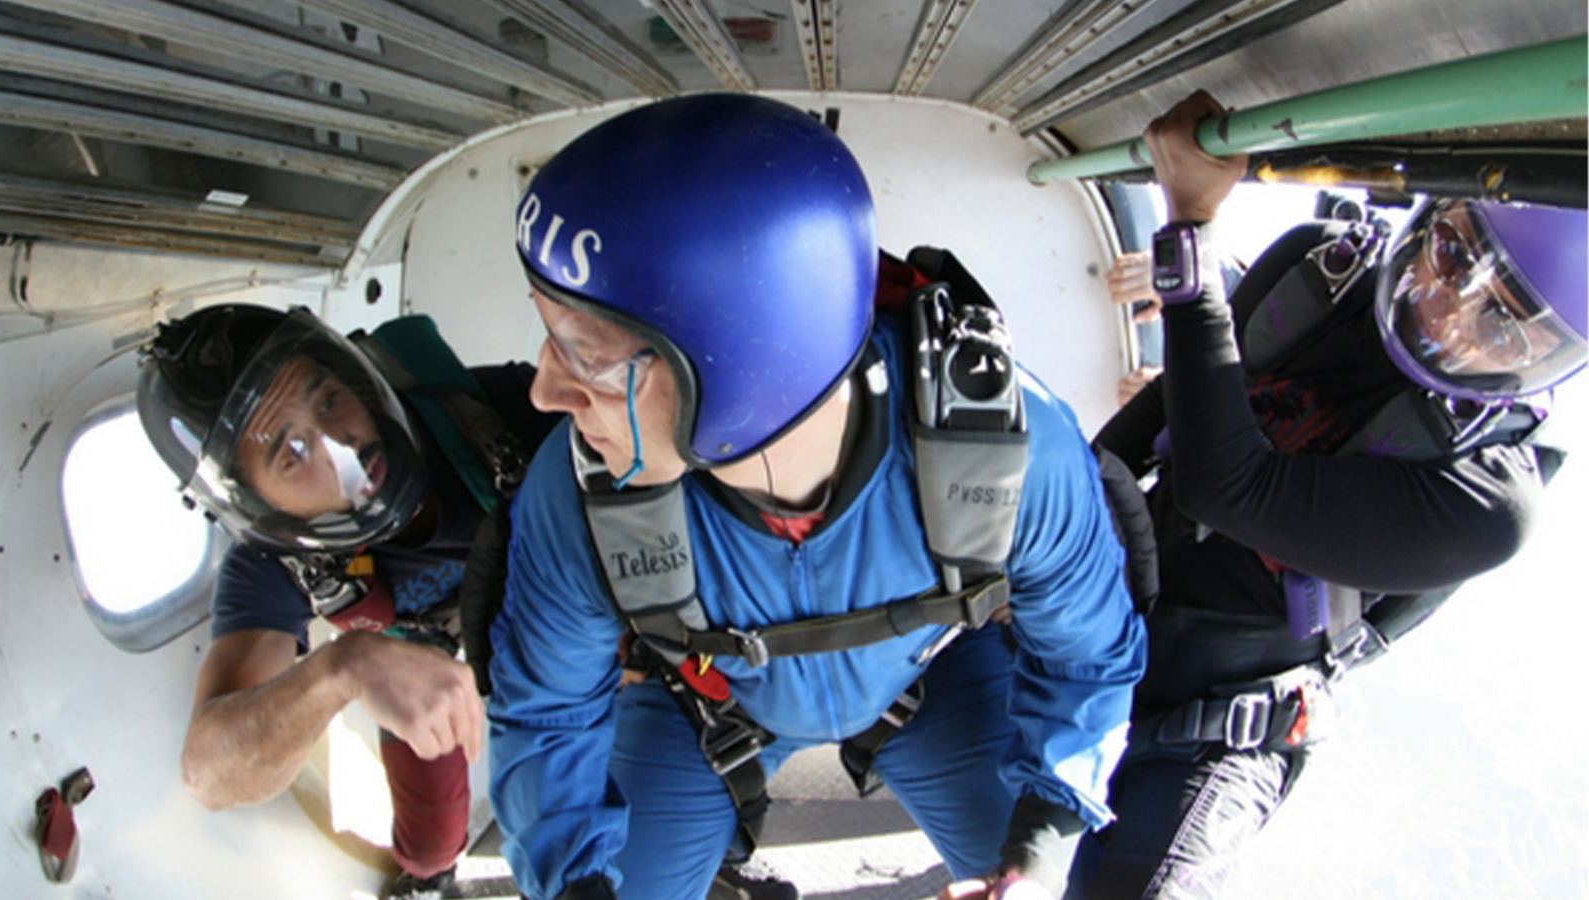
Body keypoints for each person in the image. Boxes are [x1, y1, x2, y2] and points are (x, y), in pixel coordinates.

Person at [485, 93, 1148, 900]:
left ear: (737, 358)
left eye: (583, 354)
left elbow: (1088, 659)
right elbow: (547, 713)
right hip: (703, 701)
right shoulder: (585, 491)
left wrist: (1040, 849)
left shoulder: (1008, 452)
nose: (544, 394)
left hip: (930, 682)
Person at [1070, 90, 1587, 899]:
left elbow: (1227, 485)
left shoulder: (1491, 501)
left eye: (1509, 324)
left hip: (1220, 722)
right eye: (1454, 256)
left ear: (1551, 360)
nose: (1452, 314)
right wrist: (1050, 546)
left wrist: (1190, 229)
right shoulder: (1320, 269)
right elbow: (1161, 412)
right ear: (1429, 220)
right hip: (1104, 615)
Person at [137, 304, 556, 900]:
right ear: (258, 504)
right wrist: (342, 669)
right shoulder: (274, 564)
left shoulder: (486, 413)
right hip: (414, 647)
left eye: (329, 399)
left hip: (548, 610)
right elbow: (207, 773)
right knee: (436, 840)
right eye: (293, 452)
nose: (343, 444)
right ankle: (429, 874)